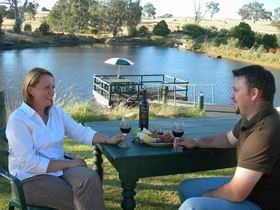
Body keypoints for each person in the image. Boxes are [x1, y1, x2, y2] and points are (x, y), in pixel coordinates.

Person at [6, 67, 125, 210]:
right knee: (81, 196)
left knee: (91, 178)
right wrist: (69, 163)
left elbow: (80, 132)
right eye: (46, 88)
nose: (52, 92)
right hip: (29, 179)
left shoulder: (56, 112)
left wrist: (108, 139)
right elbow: (30, 164)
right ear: (31, 90)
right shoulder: (18, 120)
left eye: (53, 87)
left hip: (59, 171)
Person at [177, 65, 280, 210]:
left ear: (254, 93)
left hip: (261, 203)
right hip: (248, 191)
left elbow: (237, 192)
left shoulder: (265, 131)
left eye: (236, 90)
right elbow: (229, 139)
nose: (232, 95)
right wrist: (197, 142)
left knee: (192, 206)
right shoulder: (252, 116)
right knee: (186, 188)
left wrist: (209, 194)